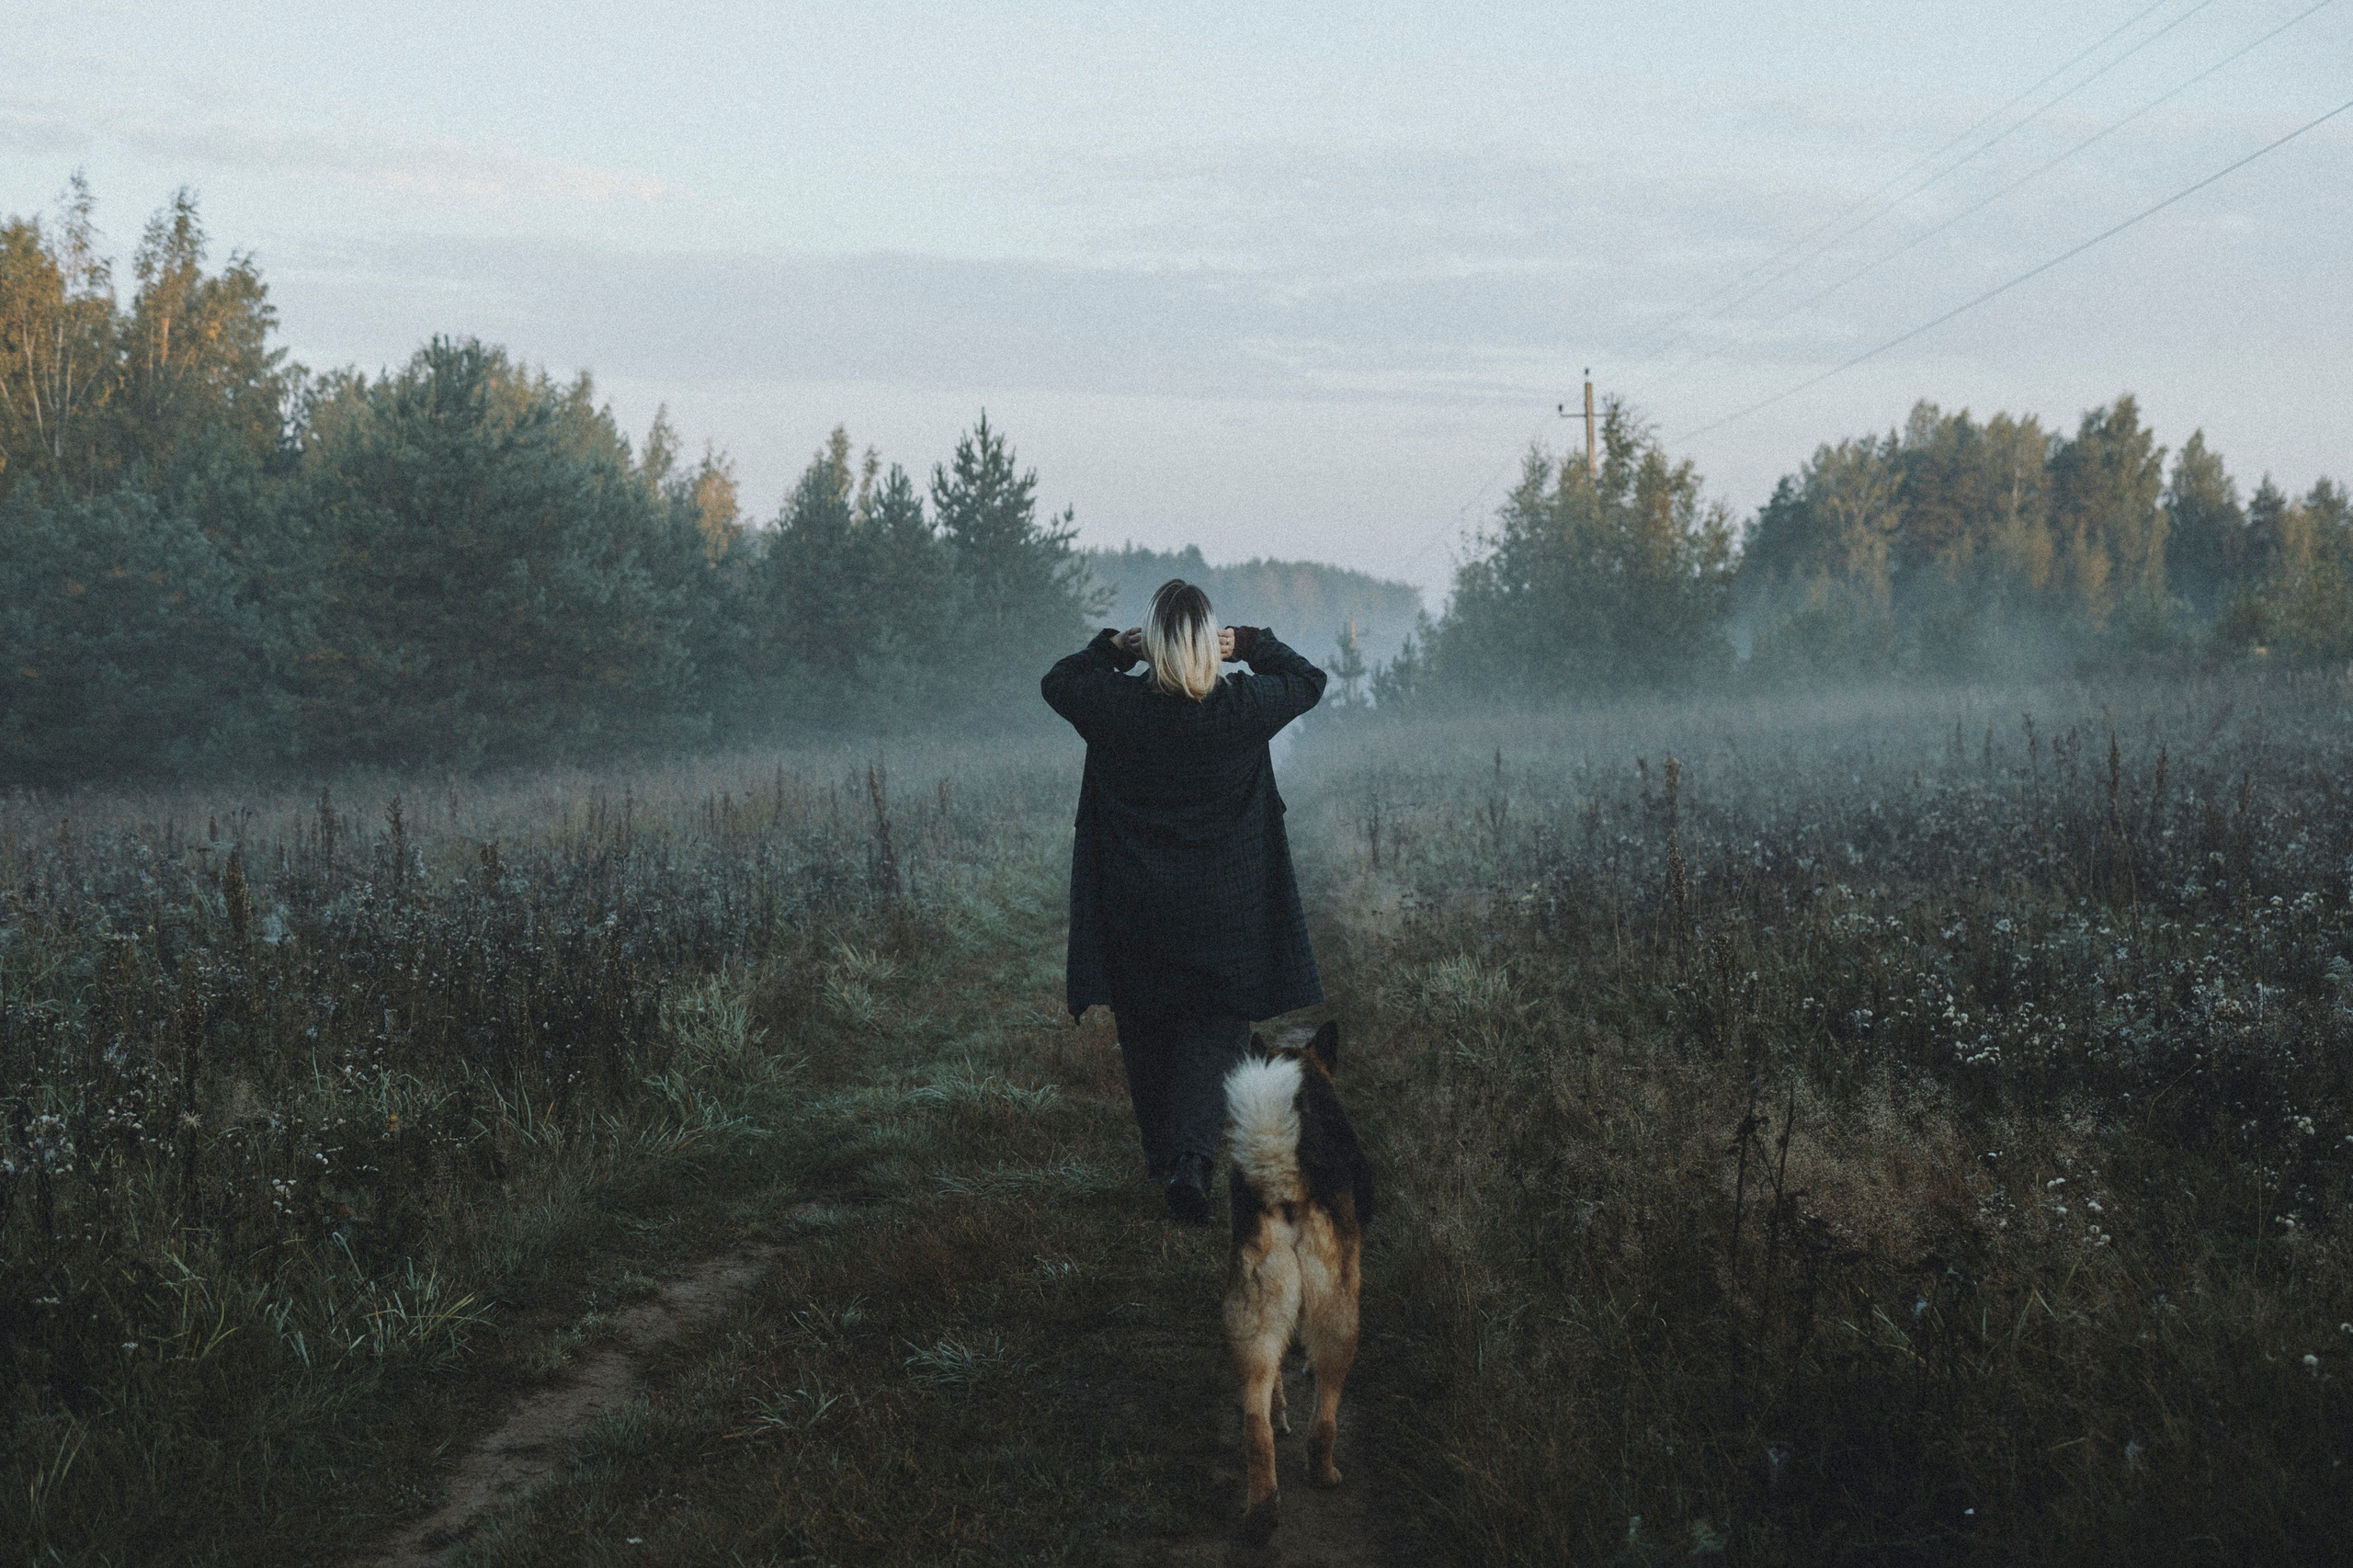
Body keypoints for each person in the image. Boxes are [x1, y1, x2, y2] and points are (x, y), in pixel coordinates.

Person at [1040, 579, 1329, 1222]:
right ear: (1208, 645)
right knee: (1214, 1027)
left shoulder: (1115, 705)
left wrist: (1114, 649)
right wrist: (1254, 644)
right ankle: (1191, 1162)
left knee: (1145, 1023)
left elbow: (1057, 682)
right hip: (1225, 906)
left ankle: (1164, 1158)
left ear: (1154, 644)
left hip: (1133, 901)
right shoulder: (1244, 706)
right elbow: (1310, 680)